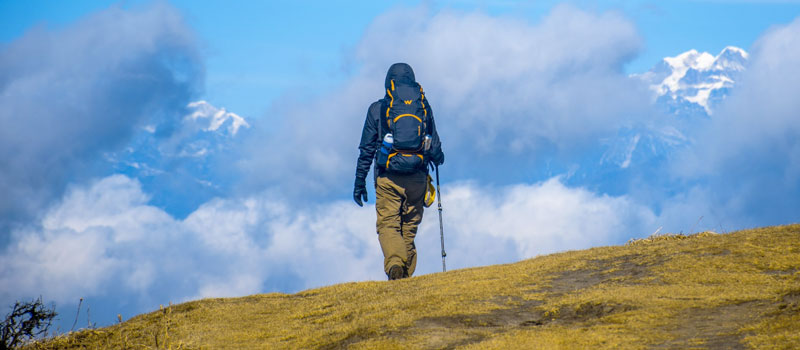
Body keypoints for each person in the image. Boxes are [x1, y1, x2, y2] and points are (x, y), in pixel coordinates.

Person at [353, 63, 445, 280]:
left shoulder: (377, 109)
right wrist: (438, 160)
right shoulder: (423, 106)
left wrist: (359, 182)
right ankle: (404, 277)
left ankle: (395, 266)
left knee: (388, 225)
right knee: (409, 228)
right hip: (417, 177)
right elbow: (436, 146)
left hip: (388, 177)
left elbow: (366, 150)